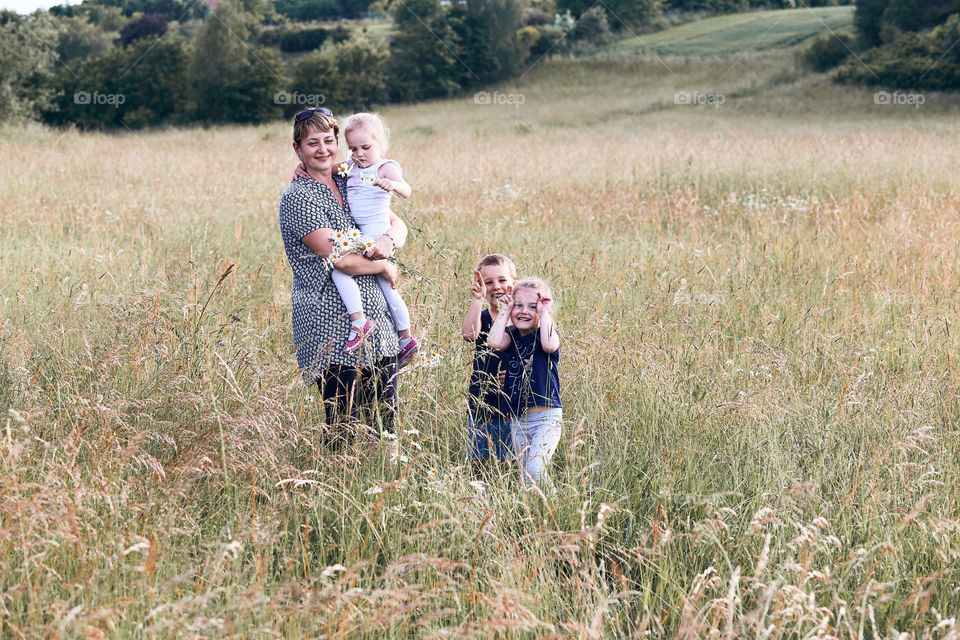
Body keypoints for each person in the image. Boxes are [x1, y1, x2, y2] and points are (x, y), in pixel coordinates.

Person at [278, 107, 408, 443]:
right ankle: (337, 485)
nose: (322, 149)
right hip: (331, 327)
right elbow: (342, 261)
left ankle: (380, 483)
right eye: (311, 143)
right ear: (298, 149)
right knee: (342, 425)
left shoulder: (347, 176)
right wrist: (384, 264)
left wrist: (388, 241)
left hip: (377, 321)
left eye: (328, 140)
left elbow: (395, 221)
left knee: (384, 422)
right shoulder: (298, 198)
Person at [328, 112, 419, 366]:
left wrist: (392, 185)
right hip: (362, 234)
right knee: (386, 286)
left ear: (380, 143)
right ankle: (405, 338)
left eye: (366, 147)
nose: (359, 153)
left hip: (376, 236)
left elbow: (407, 189)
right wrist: (302, 166)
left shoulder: (385, 167)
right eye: (353, 148)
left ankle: (359, 322)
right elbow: (331, 169)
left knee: (340, 271)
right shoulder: (352, 166)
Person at [487, 277, 562, 487]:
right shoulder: (510, 335)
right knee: (525, 474)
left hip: (546, 417)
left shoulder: (545, 335)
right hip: (518, 419)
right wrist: (504, 311)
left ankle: (553, 509)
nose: (523, 311)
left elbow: (549, 346)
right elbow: (493, 342)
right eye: (518, 305)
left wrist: (545, 312)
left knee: (535, 469)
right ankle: (535, 515)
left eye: (532, 307)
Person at [461, 254, 517, 473]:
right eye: (489, 282)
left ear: (514, 281)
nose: (496, 287)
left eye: (503, 280)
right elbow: (469, 335)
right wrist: (477, 300)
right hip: (482, 398)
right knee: (479, 461)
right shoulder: (483, 316)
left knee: (511, 460)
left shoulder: (521, 318)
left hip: (515, 400)